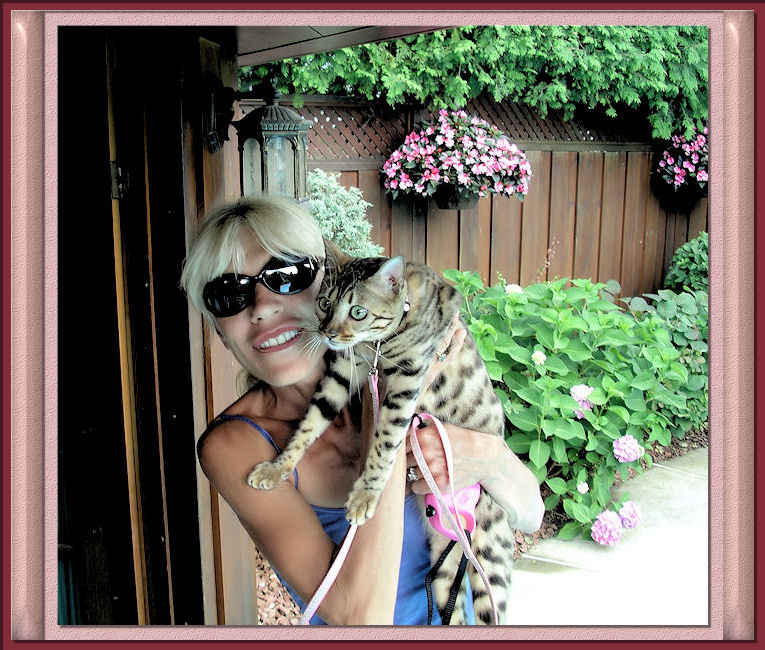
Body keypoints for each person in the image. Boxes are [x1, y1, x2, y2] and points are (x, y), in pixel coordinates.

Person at [181, 195, 544, 625]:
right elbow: (361, 620)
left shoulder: (415, 360)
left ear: (327, 281)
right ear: (219, 330)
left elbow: (529, 513)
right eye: (228, 294)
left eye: (285, 275)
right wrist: (389, 400)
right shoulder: (238, 444)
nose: (261, 307)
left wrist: (488, 459)